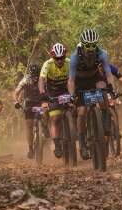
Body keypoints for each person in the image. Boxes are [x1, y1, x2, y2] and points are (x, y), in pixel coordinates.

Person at [68, 28, 115, 159]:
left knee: (103, 91)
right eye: (87, 45)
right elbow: (71, 80)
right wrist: (72, 96)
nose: (90, 49)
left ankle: (105, 125)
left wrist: (111, 87)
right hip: (79, 82)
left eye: (93, 45)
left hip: (94, 79)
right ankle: (82, 144)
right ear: (82, 45)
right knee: (81, 112)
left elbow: (108, 73)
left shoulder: (102, 54)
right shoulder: (74, 57)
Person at [39, 43, 71, 158]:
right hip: (53, 92)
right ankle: (57, 145)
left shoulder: (69, 62)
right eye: (56, 58)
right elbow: (42, 80)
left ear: (64, 56)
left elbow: (74, 78)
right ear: (53, 57)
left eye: (61, 57)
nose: (59, 60)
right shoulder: (47, 64)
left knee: (77, 109)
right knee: (55, 118)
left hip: (66, 90)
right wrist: (43, 96)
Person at [13, 64, 46, 159]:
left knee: (48, 112)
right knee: (29, 125)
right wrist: (16, 101)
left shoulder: (43, 78)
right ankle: (31, 148)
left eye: (37, 76)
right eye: (33, 76)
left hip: (40, 102)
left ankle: (45, 129)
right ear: (30, 75)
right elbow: (16, 92)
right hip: (29, 103)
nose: (35, 78)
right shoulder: (25, 80)